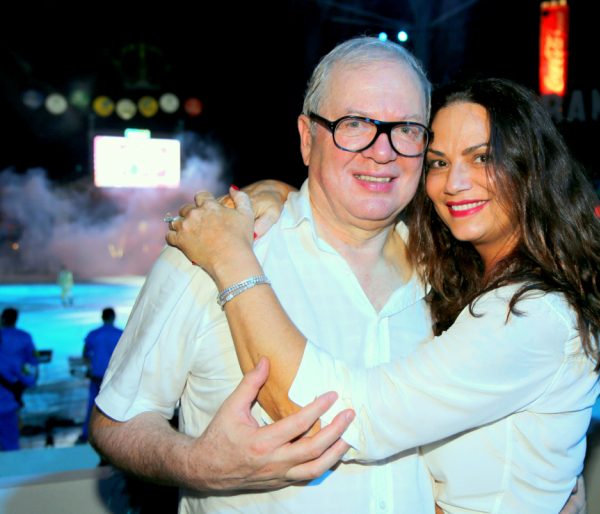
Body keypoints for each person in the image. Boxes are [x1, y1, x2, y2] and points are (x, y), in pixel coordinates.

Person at [168, 77, 600, 512]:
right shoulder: (463, 280)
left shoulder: (529, 315)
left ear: (532, 166)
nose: (454, 183)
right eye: (439, 162)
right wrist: (282, 195)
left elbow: (350, 417)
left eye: (482, 157)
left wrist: (231, 260)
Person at [90, 37, 435, 513]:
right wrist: (198, 464)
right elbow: (115, 423)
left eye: (407, 129)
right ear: (306, 138)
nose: (383, 151)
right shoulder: (214, 250)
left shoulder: (447, 276)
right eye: (355, 124)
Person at [79, 307, 122, 442]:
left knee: (93, 404)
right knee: (116, 405)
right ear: (114, 317)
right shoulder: (121, 334)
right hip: (114, 377)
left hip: (97, 375)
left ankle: (87, 433)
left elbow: (85, 354)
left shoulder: (93, 334)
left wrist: (90, 367)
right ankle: (114, 434)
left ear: (102, 317)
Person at [0, 307, 38, 451]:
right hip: (8, 401)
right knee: (10, 442)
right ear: (16, 319)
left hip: (7, 398)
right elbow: (32, 363)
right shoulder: (24, 337)